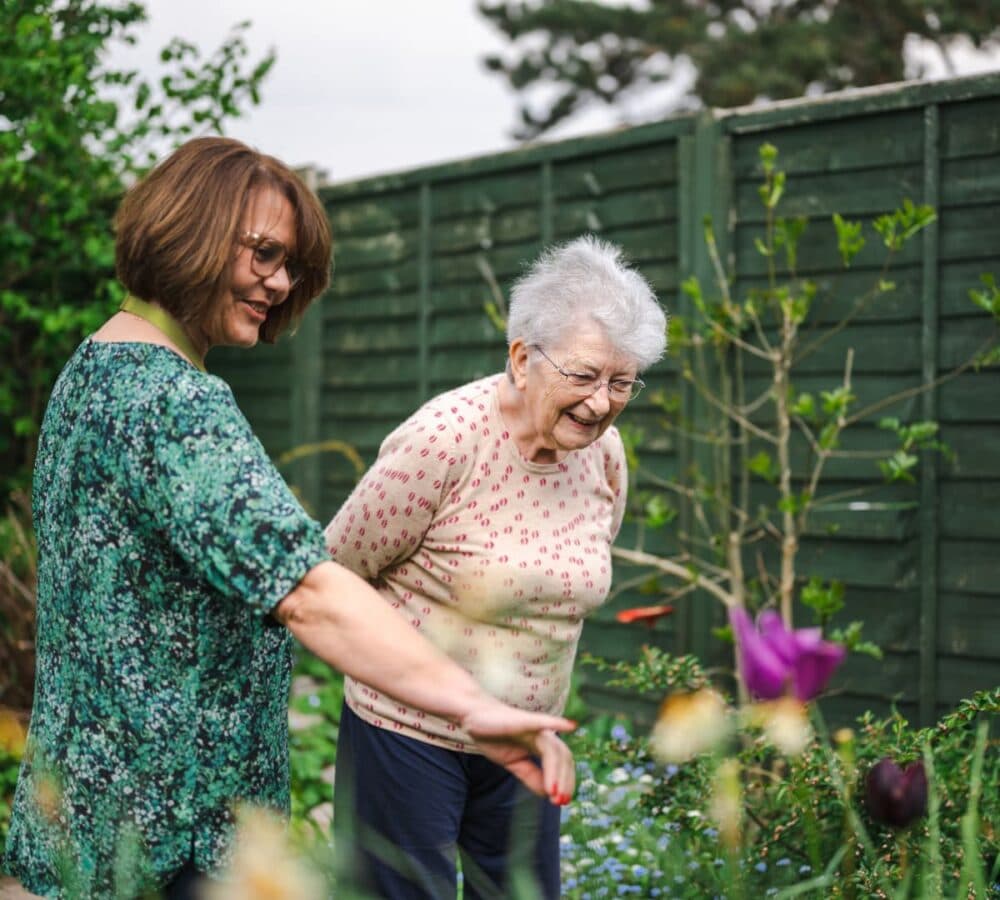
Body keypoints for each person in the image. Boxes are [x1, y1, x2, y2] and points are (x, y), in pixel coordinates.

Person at [2, 137, 576, 900]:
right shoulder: (177, 404)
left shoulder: (93, 370)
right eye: (264, 254)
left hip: (83, 812)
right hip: (169, 833)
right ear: (189, 229)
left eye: (292, 266)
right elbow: (307, 590)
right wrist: (471, 704)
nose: (279, 283)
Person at [324, 235, 668, 899]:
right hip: (407, 737)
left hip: (526, 742)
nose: (602, 402)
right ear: (521, 358)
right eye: (584, 375)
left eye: (622, 382)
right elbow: (335, 569)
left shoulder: (605, 455)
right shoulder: (443, 441)